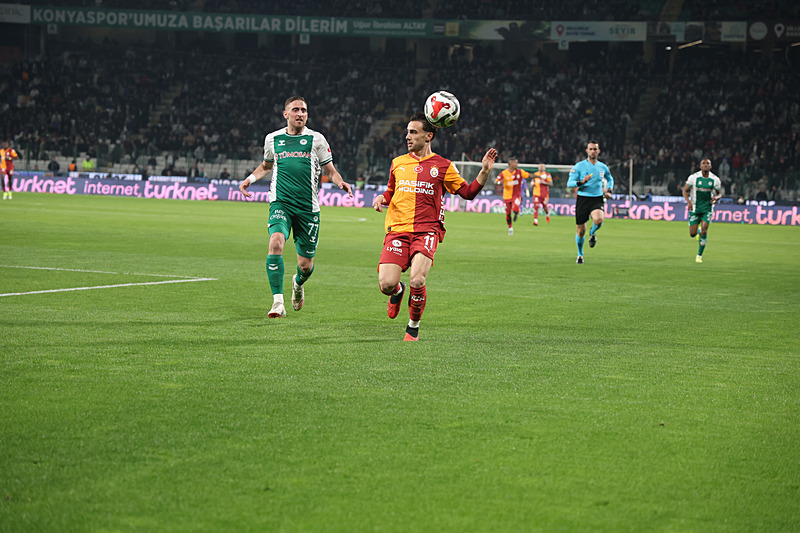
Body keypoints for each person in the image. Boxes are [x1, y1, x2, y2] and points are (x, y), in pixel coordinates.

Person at [373, 113, 497, 341]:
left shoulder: (443, 166)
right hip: (398, 230)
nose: (407, 136)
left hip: (427, 230)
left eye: (413, 132)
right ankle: (398, 291)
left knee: (418, 279)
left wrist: (485, 171)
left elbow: (468, 193)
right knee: (386, 284)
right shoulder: (398, 163)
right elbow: (391, 191)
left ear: (428, 136)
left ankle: (413, 325)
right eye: (407, 131)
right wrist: (382, 197)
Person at [238, 95, 352, 319]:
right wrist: (250, 179)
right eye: (296, 110)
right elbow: (266, 165)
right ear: (286, 114)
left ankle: (297, 284)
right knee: (276, 241)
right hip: (281, 202)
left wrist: (340, 182)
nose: (301, 114)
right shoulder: (273, 139)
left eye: (304, 110)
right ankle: (277, 302)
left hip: (308, 209)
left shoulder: (316, 139)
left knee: (306, 265)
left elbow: (330, 169)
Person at [566, 140, 614, 264]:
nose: (593, 151)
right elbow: (569, 183)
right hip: (583, 199)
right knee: (580, 231)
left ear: (598, 151)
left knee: (599, 220)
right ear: (587, 151)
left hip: (596, 198)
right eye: (591, 149)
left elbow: (610, 178)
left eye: (595, 149)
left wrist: (609, 190)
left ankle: (592, 233)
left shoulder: (602, 167)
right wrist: (581, 182)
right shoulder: (579, 166)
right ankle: (580, 254)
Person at [682, 158, 722, 263]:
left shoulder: (715, 179)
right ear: (700, 166)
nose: (705, 165)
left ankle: (699, 255)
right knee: (692, 234)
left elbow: (720, 193)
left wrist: (716, 198)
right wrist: (688, 202)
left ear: (711, 166)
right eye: (703, 163)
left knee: (705, 229)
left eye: (708, 163)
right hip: (695, 208)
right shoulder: (693, 177)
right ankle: (698, 231)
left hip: (707, 208)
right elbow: (685, 190)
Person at [495, 157, 528, 235]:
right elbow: (496, 181)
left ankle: (516, 213)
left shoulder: (519, 173)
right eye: (515, 163)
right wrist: (500, 182)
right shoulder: (504, 173)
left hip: (516, 195)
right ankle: (510, 228)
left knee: (516, 209)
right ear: (510, 164)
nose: (516, 164)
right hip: (506, 196)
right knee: (508, 213)